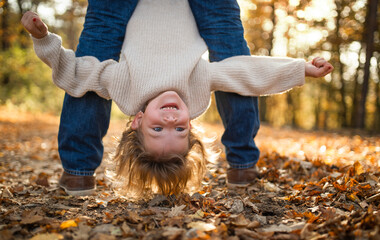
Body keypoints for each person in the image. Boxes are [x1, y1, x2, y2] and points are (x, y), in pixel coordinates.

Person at [22, 0, 333, 196]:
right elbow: (245, 73)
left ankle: (78, 173)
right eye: (180, 130)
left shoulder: (125, 89)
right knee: (226, 32)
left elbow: (76, 74)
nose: (171, 120)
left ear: (137, 122)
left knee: (100, 35)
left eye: (158, 130)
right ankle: (243, 164)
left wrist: (44, 40)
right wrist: (300, 69)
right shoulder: (196, 94)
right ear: (191, 127)